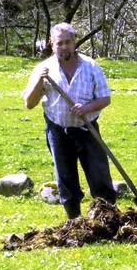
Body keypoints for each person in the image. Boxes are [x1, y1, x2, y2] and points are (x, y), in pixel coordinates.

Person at [22, 22, 118, 219]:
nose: (64, 47)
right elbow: (29, 103)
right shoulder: (44, 69)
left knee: (100, 177)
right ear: (52, 44)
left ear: (75, 42)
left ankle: (108, 220)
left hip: (87, 129)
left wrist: (87, 108)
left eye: (68, 42)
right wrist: (40, 81)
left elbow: (105, 98)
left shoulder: (90, 66)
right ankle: (74, 222)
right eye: (59, 43)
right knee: (66, 180)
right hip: (58, 131)